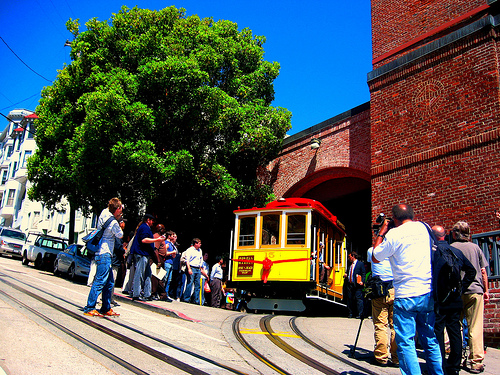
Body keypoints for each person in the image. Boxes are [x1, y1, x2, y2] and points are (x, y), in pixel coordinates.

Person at [372, 203, 443, 375]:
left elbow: (375, 257)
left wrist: (382, 232)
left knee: (406, 342)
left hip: (406, 294)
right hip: (426, 292)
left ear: (394, 219)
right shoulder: (424, 227)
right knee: (430, 338)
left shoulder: (394, 234)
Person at [432, 225, 476, 375]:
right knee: (455, 331)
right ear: (444, 235)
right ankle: (454, 366)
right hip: (455, 297)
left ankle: (440, 365)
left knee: (437, 332)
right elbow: (472, 271)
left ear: (433, 236)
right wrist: (461, 288)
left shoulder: (432, 252)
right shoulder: (456, 252)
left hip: (439, 298)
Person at [450, 221, 489, 374]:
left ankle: (454, 356)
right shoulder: (476, 248)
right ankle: (476, 361)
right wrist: (486, 290)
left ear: (454, 233)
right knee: (475, 327)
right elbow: (483, 271)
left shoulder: (451, 248)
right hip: (475, 290)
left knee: (454, 327)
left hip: (456, 293)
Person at [83, 198, 124, 317]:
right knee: (100, 281)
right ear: (116, 209)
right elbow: (120, 235)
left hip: (102, 253)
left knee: (110, 282)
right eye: (120, 209)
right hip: (105, 253)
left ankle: (106, 307)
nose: (121, 212)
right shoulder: (113, 222)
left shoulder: (104, 213)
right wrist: (121, 224)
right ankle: (90, 307)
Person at [367, 246, 398, 367]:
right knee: (395, 325)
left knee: (380, 324)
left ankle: (381, 356)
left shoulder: (372, 250)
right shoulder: (396, 249)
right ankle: (396, 358)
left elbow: (371, 263)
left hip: (379, 290)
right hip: (394, 288)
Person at [130, 214, 165, 302]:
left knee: (147, 274)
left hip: (145, 254)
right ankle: (136, 293)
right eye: (152, 221)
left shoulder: (145, 228)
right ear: (148, 220)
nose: (153, 223)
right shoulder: (144, 228)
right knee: (140, 274)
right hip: (141, 254)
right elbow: (144, 240)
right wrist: (157, 240)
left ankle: (147, 293)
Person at [182, 238, 209, 305]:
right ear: (195, 244)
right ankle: (186, 298)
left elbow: (200, 260)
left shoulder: (200, 251)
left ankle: (196, 299)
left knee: (197, 285)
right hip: (192, 267)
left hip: (198, 268)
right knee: (190, 283)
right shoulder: (190, 250)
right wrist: (189, 269)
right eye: (199, 243)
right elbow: (187, 260)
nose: (200, 244)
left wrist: (201, 268)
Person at [344, 251, 365, 318]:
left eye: (349, 256)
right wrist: (346, 275)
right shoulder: (350, 265)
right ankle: (350, 313)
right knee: (349, 299)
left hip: (357, 284)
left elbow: (363, 273)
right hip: (350, 284)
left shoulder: (360, 264)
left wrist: (362, 281)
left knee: (358, 299)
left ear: (353, 256)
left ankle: (360, 313)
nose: (348, 258)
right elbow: (349, 272)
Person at [163, 231, 178, 301]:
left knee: (169, 280)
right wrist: (172, 252)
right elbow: (164, 253)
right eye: (173, 236)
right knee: (165, 279)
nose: (174, 237)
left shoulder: (171, 244)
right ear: (169, 236)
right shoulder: (166, 243)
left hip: (171, 263)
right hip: (167, 262)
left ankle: (166, 294)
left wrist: (173, 254)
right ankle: (162, 294)